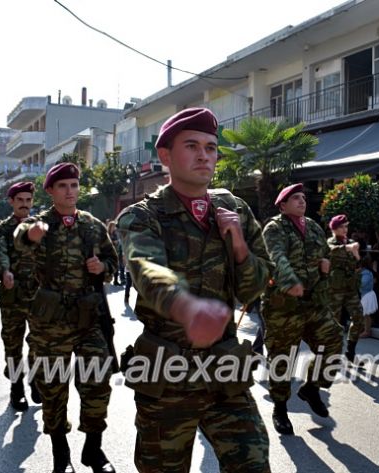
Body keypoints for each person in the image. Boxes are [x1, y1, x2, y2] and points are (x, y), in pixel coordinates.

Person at [116, 107, 271, 473]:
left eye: (211, 147)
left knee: (254, 465)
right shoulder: (141, 217)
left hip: (224, 370)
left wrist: (238, 246)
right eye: (192, 145)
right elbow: (146, 271)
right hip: (166, 373)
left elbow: (254, 287)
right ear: (166, 156)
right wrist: (187, 309)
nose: (204, 155)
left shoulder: (235, 209)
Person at [14, 163, 118, 473]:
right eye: (63, 186)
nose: (70, 191)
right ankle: (61, 453)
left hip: (89, 317)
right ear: (50, 191)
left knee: (98, 381)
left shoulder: (92, 225)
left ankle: (93, 449)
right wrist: (31, 236)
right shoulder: (39, 223)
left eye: (74, 185)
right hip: (51, 322)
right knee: (53, 387)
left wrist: (104, 268)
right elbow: (21, 239)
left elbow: (113, 259)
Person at [262, 182, 343, 436]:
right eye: (295, 198)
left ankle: (312, 387)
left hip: (314, 301)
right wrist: (291, 282)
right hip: (283, 306)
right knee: (282, 358)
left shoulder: (315, 227)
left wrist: (326, 263)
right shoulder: (275, 228)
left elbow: (326, 253)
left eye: (303, 198)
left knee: (334, 339)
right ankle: (280, 408)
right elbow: (277, 257)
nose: (301, 201)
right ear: (282, 205)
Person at [0, 182, 41, 412]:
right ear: (11, 202)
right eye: (20, 200)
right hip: (13, 297)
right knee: (13, 345)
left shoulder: (40, 228)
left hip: (39, 297)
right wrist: (5, 271)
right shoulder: (1, 231)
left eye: (28, 200)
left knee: (39, 342)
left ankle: (35, 379)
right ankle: (16, 387)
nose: (25, 205)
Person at [326, 214, 364, 362]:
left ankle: (350, 351)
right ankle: (332, 353)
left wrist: (356, 254)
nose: (345, 229)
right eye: (341, 227)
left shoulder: (352, 243)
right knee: (334, 322)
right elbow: (330, 251)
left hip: (350, 287)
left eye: (346, 226)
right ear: (334, 229)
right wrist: (348, 248)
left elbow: (358, 263)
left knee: (358, 317)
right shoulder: (330, 242)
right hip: (335, 289)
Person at [359, 256, 378, 337]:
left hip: (367, 295)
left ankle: (367, 331)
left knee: (366, 314)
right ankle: (365, 328)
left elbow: (363, 283)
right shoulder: (366, 272)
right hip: (365, 294)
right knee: (364, 314)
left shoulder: (366, 273)